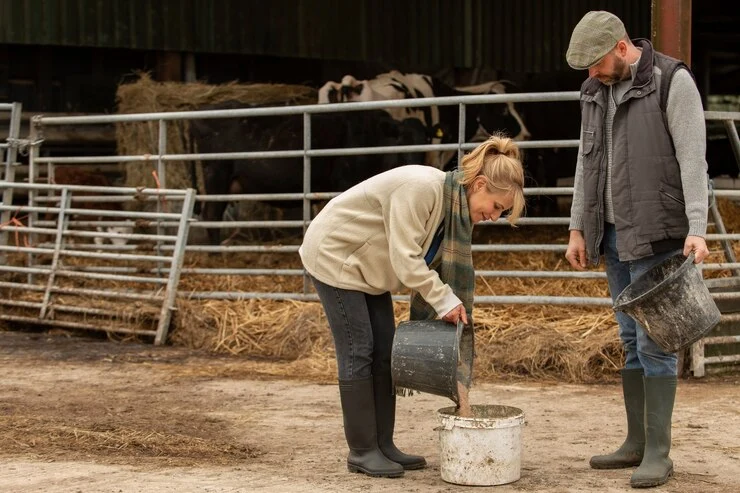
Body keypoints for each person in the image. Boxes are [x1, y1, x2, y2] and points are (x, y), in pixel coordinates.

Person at [299, 135, 525, 478]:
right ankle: (362, 450)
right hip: (337, 255)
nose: (494, 216)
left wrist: (444, 297)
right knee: (359, 348)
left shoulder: (451, 208)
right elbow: (406, 258)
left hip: (368, 266)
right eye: (496, 206)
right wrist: (445, 299)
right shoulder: (421, 188)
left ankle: (384, 444)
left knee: (385, 351)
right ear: (479, 184)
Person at [564, 11, 709, 489]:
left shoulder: (672, 81)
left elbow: (692, 156)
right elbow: (587, 161)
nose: (591, 74)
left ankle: (660, 454)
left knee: (655, 341)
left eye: (596, 63)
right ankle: (636, 442)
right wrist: (578, 229)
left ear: (622, 47)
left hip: (655, 230)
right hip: (611, 232)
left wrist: (697, 227)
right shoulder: (595, 92)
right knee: (629, 339)